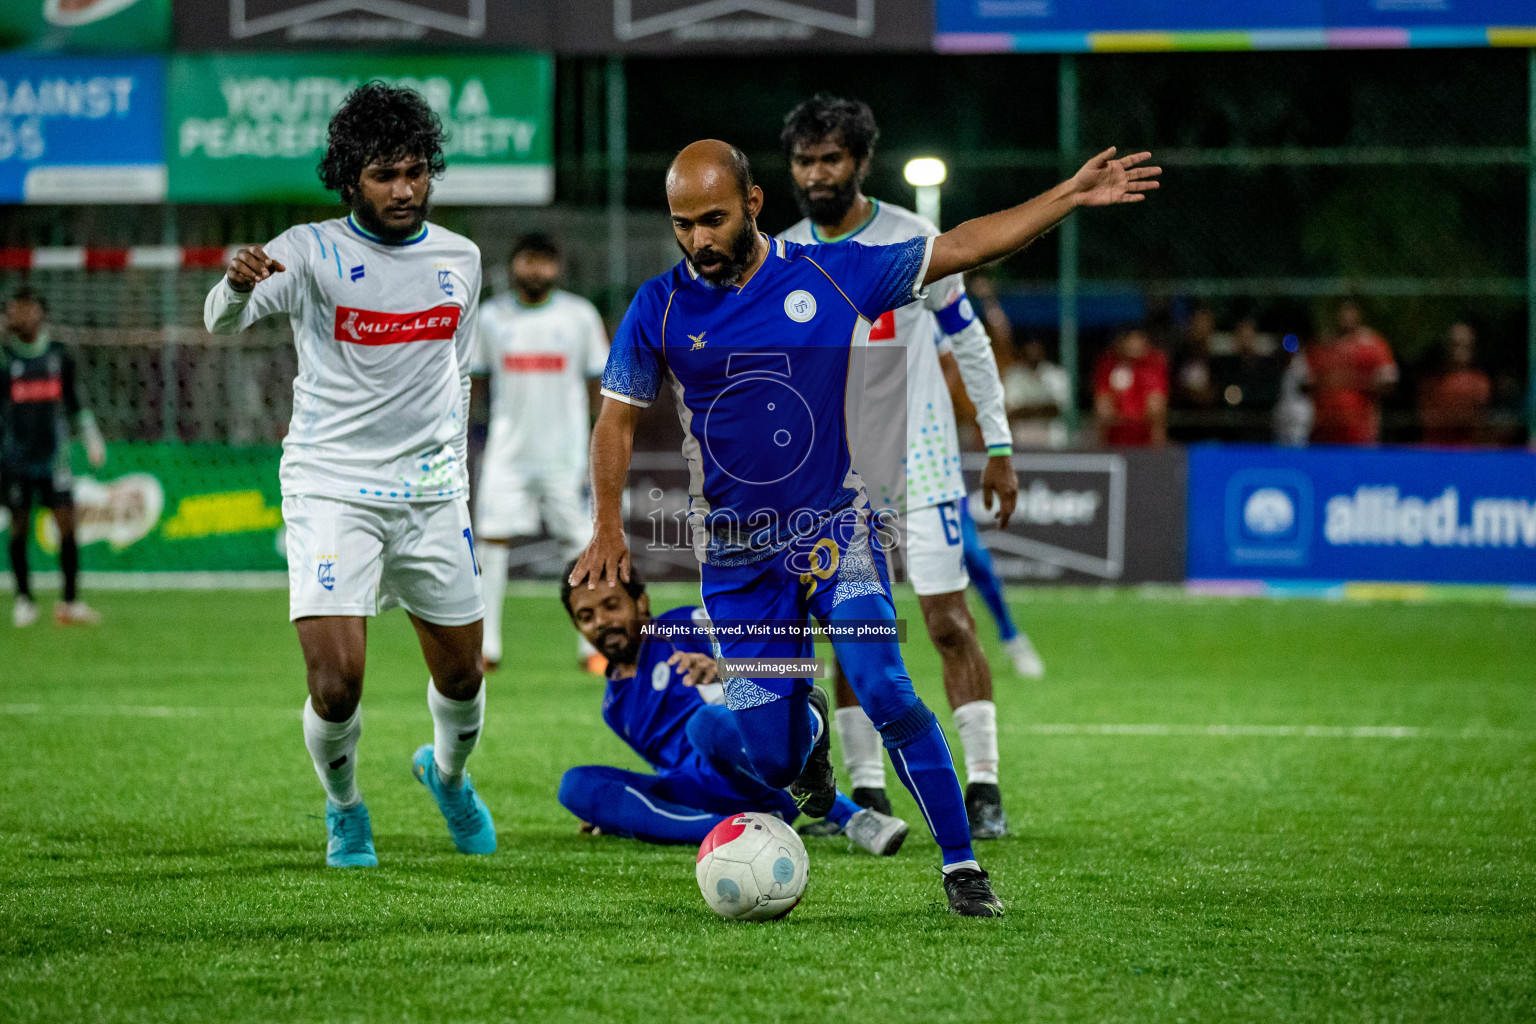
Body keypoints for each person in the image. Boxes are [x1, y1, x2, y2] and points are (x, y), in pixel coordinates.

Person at [570, 137, 1159, 915]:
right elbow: (615, 421)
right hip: (737, 562)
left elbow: (963, 244)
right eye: (682, 225)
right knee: (774, 761)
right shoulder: (660, 305)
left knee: (884, 685)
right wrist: (605, 525)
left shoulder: (830, 273)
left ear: (753, 204)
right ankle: (809, 742)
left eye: (712, 220)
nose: (698, 241)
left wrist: (1068, 195)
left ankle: (960, 865)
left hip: (835, 533)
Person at [203, 83, 496, 869]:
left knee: (465, 677)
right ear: (349, 179)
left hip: (433, 494)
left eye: (415, 172)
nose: (403, 190)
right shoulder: (308, 251)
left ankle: (448, 774)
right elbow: (218, 322)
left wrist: (450, 468)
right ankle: (345, 810)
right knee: (337, 684)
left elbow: (453, 371)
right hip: (334, 487)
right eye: (382, 175)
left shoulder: (460, 260)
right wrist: (235, 285)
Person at [776, 94, 1038, 840]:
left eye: (831, 158)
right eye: (805, 160)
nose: (818, 173)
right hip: (834, 478)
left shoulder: (912, 238)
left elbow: (970, 340)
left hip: (920, 464)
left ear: (859, 161)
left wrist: (998, 444)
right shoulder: (786, 255)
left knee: (948, 621)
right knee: (851, 635)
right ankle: (869, 792)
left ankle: (983, 786)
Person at [557, 559, 909, 854]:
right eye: (587, 616)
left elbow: (805, 668)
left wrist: (727, 670)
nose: (601, 621)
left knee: (705, 724)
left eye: (611, 605)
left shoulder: (684, 626)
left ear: (642, 604)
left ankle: (854, 818)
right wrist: (618, 807)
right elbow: (666, 769)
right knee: (575, 785)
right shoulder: (613, 706)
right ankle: (730, 831)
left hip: (760, 773)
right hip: (700, 793)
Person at [471, 233, 609, 673]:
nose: (536, 270)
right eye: (528, 261)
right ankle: (486, 647)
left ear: (558, 268)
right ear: (513, 265)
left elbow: (597, 382)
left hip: (565, 456)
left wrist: (596, 440)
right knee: (491, 542)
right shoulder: (491, 318)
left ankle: (593, 648)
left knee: (582, 546)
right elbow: (475, 380)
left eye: (545, 262)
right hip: (507, 454)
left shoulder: (579, 316)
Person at [3, 286, 106, 628]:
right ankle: (23, 599)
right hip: (15, 458)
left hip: (54, 458)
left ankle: (70, 602)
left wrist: (92, 440)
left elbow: (75, 403)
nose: (18, 316)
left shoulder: (59, 355)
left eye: (25, 309)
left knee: (67, 527)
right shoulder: (5, 358)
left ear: (41, 313)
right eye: (13, 310)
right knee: (19, 528)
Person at [1308, 299, 1397, 445]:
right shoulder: (1321, 344)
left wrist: (1352, 381)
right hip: (1322, 431)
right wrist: (1326, 382)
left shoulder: (1374, 344)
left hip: (1360, 431)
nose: (1346, 316)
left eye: (1351, 311)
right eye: (1343, 311)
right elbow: (1302, 383)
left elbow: (1389, 385)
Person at [1210, 316, 1282, 443]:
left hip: (1260, 433)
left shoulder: (1268, 367)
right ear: (1235, 339)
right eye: (1241, 337)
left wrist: (1242, 394)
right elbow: (1222, 394)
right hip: (1232, 435)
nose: (1245, 342)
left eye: (1248, 337)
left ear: (1255, 338)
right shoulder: (1225, 366)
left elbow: (1271, 394)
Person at [1417, 322, 1490, 446]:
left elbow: (1478, 419)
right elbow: (1426, 418)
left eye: (1466, 346)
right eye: (1456, 344)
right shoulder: (1431, 383)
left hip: (1468, 452)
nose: (1460, 350)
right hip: (1435, 452)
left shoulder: (1480, 383)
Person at [1094, 327, 1168, 447]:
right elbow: (1103, 406)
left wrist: (1158, 444)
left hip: (1144, 438)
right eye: (1129, 340)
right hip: (1115, 437)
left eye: (1137, 339)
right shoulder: (1108, 365)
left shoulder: (1154, 365)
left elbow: (1156, 407)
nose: (1133, 344)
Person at [1002, 336, 1071, 450]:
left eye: (1036, 348)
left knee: (1058, 434)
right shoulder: (1012, 375)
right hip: (1023, 432)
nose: (1033, 352)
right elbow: (1013, 411)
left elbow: (1058, 409)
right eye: (1029, 348)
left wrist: (1028, 408)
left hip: (1049, 432)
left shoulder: (1056, 374)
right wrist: (1042, 407)